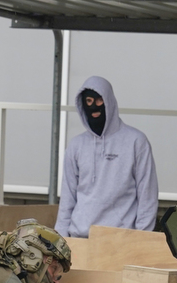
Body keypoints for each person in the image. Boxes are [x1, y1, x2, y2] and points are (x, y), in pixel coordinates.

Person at [54, 75, 158, 238]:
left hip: (121, 240)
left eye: (99, 101)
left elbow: (147, 197)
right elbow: (67, 198)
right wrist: (60, 239)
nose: (93, 106)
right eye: (88, 101)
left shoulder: (136, 142)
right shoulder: (76, 145)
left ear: (109, 101)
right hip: (79, 239)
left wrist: (141, 240)